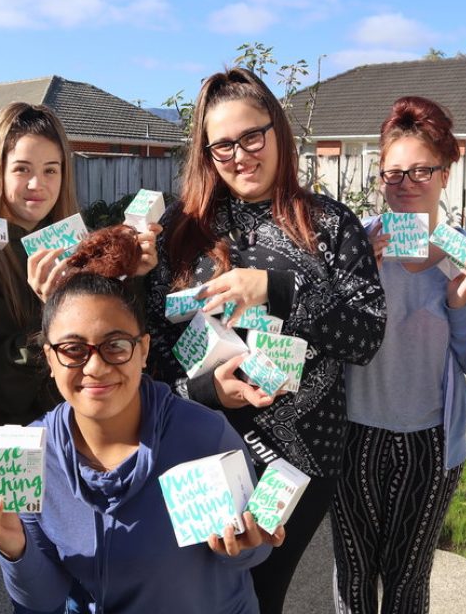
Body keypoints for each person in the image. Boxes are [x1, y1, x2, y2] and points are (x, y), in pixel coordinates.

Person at [145, 67, 387, 613]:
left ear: (277, 131)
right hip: (198, 446)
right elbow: (153, 349)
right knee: (190, 593)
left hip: (299, 462)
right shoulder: (181, 232)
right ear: (206, 153)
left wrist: (276, 291)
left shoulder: (328, 224)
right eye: (222, 144)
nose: (240, 154)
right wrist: (208, 390)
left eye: (252, 135)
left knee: (259, 596)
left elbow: (368, 335)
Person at [0, 270, 281, 613]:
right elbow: (45, 600)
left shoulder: (204, 435)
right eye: (73, 349)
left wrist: (244, 546)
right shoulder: (32, 457)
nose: (95, 366)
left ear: (143, 350)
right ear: (49, 358)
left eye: (116, 345)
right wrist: (14, 549)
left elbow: (253, 553)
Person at [331, 97, 466, 614]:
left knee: (408, 583)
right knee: (354, 578)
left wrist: (458, 306)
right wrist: (356, 278)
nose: (406, 183)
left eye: (421, 170)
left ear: (446, 174)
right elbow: (325, 338)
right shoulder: (351, 243)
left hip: (429, 443)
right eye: (393, 172)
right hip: (352, 435)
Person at [0, 102, 158, 430]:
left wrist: (134, 276)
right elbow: (0, 392)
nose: (36, 184)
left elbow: (123, 349)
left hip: (87, 438)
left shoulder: (77, 245)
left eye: (50, 170)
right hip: (15, 454)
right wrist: (52, 313)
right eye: (22, 169)